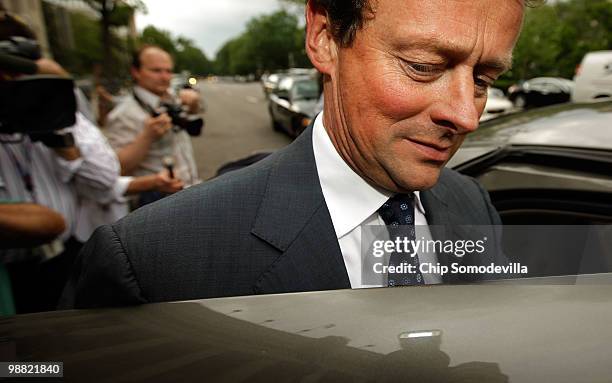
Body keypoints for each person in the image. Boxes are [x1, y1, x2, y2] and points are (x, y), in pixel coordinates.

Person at [61, 0, 530, 308]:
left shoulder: (474, 205)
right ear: (325, 39)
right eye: (423, 67)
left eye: (484, 80)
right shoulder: (152, 259)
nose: (466, 115)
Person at [104, 45, 201, 206]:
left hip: (190, 190)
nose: (164, 77)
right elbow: (115, 169)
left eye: (168, 71)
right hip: (157, 203)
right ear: (136, 72)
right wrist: (147, 136)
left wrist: (193, 104)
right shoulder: (124, 114)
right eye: (156, 71)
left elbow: (194, 126)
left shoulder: (173, 100)